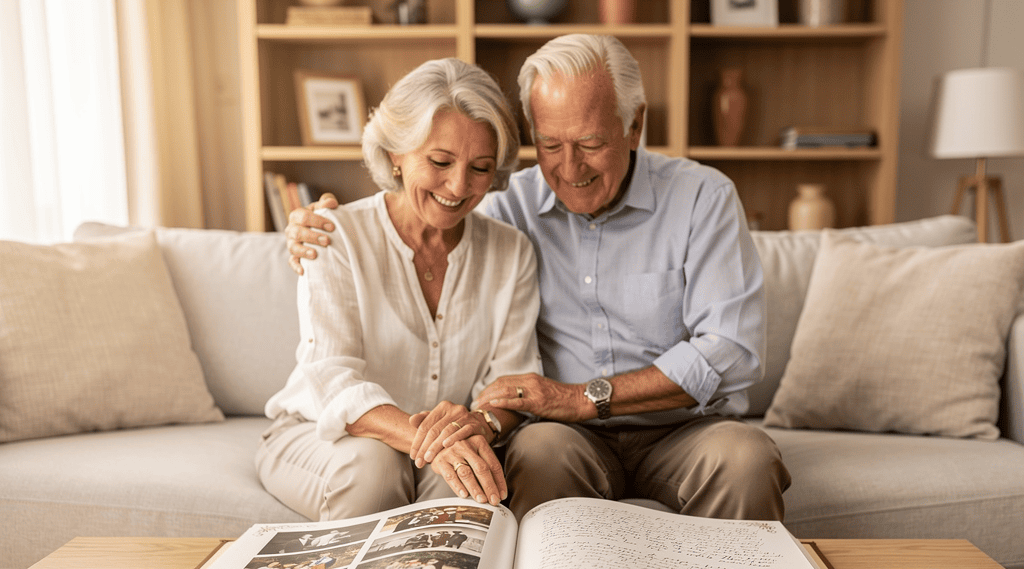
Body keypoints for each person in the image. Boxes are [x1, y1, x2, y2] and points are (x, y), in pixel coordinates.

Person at [286, 35, 790, 521]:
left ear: (635, 125)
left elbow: (732, 349)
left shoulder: (703, 198)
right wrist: (308, 227)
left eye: (590, 143)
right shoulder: (504, 205)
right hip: (563, 436)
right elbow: (426, 201)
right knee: (537, 457)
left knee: (748, 463)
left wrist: (581, 398)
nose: (570, 168)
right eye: (550, 144)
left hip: (685, 428)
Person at [258, 58, 541, 521]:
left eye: (480, 167)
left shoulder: (512, 252)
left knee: (466, 487)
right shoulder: (334, 235)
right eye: (440, 162)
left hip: (442, 442)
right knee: (376, 467)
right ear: (395, 153)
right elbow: (333, 379)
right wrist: (427, 441)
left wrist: (480, 425)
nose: (458, 186)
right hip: (321, 433)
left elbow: (510, 381)